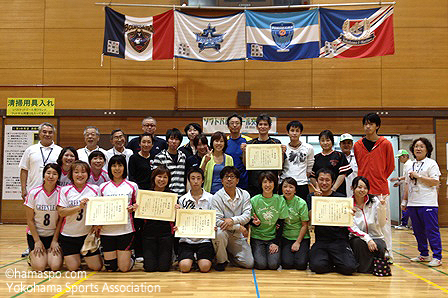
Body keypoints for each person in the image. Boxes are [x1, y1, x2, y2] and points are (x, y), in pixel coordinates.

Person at [354, 113, 394, 261]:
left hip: (380, 191)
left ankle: (388, 252)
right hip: (362, 191)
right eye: (365, 124)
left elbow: (390, 166)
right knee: (364, 223)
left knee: (383, 223)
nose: (367, 126)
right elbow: (359, 164)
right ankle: (368, 253)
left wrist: (380, 178)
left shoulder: (386, 144)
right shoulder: (357, 145)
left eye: (371, 124)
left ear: (377, 126)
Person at [19, 122, 62, 257]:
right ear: (39, 133)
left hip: (53, 192)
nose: (47, 134)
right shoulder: (30, 150)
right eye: (44, 132)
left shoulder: (59, 151)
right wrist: (23, 189)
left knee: (54, 218)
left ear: (53, 134)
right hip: (34, 191)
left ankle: (53, 245)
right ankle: (30, 246)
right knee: (33, 218)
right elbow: (24, 170)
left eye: (50, 132)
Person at [308, 168, 358, 275]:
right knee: (317, 267)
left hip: (339, 240)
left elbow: (349, 220)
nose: (324, 183)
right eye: (321, 180)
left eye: (327, 180)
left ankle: (335, 259)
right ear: (317, 181)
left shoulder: (341, 198)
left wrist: (351, 213)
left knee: (349, 268)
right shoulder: (312, 197)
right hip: (321, 241)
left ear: (333, 182)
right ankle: (331, 260)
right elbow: (311, 218)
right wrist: (317, 200)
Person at [402, 138, 442, 267]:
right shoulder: (409, 164)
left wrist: (419, 176)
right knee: (418, 230)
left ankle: (437, 256)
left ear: (427, 149)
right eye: (416, 146)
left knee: (431, 230)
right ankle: (423, 254)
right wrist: (405, 201)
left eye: (421, 146)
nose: (418, 149)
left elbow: (435, 182)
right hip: (413, 203)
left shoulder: (431, 163)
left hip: (428, 202)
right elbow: (407, 184)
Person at [57, 161, 102, 271]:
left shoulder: (95, 189)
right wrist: (79, 207)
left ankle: (84, 255)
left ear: (88, 174)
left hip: (87, 236)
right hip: (68, 235)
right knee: (73, 268)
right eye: (76, 172)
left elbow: (99, 211)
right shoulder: (64, 190)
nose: (80, 175)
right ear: (71, 174)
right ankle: (75, 256)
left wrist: (96, 226)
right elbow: (61, 212)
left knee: (96, 267)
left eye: (83, 172)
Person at [98, 155, 138, 272]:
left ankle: (131, 257)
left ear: (124, 168)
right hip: (107, 231)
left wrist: (134, 207)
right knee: (111, 268)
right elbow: (98, 208)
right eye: (114, 165)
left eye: (120, 165)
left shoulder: (132, 186)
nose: (117, 168)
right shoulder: (102, 187)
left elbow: (138, 206)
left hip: (126, 230)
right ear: (109, 168)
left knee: (123, 268)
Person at [210, 166, 254, 271]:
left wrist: (232, 220)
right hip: (224, 232)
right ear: (222, 180)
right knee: (219, 233)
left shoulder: (245, 194)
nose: (229, 179)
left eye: (232, 177)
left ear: (237, 180)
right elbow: (217, 220)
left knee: (249, 263)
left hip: (238, 236)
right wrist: (238, 227)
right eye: (226, 177)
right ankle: (222, 261)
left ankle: (230, 256)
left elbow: (247, 216)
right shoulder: (216, 197)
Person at [24, 163, 63, 271]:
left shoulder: (61, 192)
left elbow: (61, 219)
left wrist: (55, 240)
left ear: (58, 176)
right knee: (39, 267)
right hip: (36, 235)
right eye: (48, 173)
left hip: (53, 235)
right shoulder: (34, 193)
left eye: (54, 174)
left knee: (55, 266)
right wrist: (37, 241)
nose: (51, 176)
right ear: (43, 175)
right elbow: (30, 220)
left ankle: (49, 254)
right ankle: (32, 256)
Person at [176, 167, 215, 273]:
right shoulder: (182, 199)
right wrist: (177, 226)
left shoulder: (211, 198)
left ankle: (199, 259)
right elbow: (180, 221)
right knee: (184, 267)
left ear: (203, 180)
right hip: (186, 240)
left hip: (204, 240)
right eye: (192, 178)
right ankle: (191, 259)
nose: (196, 181)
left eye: (198, 178)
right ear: (189, 180)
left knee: (205, 267)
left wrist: (213, 226)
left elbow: (214, 218)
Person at [250, 171, 288, 270]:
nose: (267, 185)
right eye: (265, 182)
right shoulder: (254, 200)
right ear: (261, 184)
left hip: (272, 238)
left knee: (273, 265)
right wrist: (255, 223)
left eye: (270, 182)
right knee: (261, 265)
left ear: (274, 184)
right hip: (257, 238)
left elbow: (281, 222)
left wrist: (275, 242)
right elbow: (250, 221)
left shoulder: (280, 200)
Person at [349, 176, 387, 273]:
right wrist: (368, 239)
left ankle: (376, 268)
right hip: (357, 237)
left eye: (365, 188)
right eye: (359, 187)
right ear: (352, 188)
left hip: (376, 236)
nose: (362, 190)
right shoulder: (348, 203)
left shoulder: (374, 201)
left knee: (380, 245)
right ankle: (365, 270)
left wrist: (382, 208)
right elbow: (351, 227)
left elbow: (382, 223)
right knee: (359, 243)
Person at [242, 114, 285, 197]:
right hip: (254, 184)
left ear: (269, 127)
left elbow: (281, 166)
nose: (263, 127)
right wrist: (244, 152)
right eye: (260, 124)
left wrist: (282, 153)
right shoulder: (250, 144)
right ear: (257, 127)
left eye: (265, 124)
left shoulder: (276, 143)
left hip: (271, 183)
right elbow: (245, 164)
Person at [142, 166, 175, 272]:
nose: (162, 180)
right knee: (149, 268)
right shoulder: (145, 194)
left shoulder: (172, 196)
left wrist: (177, 210)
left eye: (165, 177)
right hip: (148, 234)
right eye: (159, 176)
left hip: (165, 235)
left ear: (168, 180)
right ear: (154, 178)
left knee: (164, 268)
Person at [128, 133, 154, 262]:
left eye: (149, 142)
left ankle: (149, 251)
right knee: (138, 225)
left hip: (152, 196)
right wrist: (138, 195)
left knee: (149, 225)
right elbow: (131, 178)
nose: (146, 144)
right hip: (139, 196)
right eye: (143, 142)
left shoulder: (155, 157)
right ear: (139, 144)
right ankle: (138, 252)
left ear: (152, 144)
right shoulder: (133, 158)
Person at [280, 177, 310, 270]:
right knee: (286, 264)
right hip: (286, 237)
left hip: (301, 237)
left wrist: (297, 242)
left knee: (301, 265)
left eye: (291, 187)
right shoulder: (279, 200)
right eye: (285, 187)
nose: (287, 189)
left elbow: (305, 225)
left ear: (295, 190)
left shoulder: (301, 203)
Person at [310, 130, 352, 196]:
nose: (325, 143)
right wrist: (318, 188)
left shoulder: (339, 155)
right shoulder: (316, 157)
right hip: (320, 193)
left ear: (332, 142)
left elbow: (343, 174)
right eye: (322, 141)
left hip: (338, 191)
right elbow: (312, 176)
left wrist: (333, 189)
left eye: (327, 140)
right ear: (320, 142)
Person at [280, 121, 314, 200]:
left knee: (301, 207)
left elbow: (310, 164)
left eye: (297, 131)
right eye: (292, 130)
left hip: (302, 183)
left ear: (300, 133)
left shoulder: (309, 148)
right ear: (287, 133)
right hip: (285, 183)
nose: (294, 133)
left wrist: (303, 176)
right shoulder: (283, 148)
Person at [153, 128, 187, 196]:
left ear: (180, 142)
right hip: (166, 194)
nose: (174, 141)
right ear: (167, 141)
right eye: (171, 139)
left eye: (177, 139)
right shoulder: (159, 157)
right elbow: (155, 178)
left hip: (181, 194)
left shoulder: (183, 156)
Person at [225, 114, 251, 190]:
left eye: (237, 123)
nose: (234, 125)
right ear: (228, 126)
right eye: (232, 123)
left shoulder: (248, 141)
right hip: (228, 179)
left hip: (244, 179)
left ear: (241, 125)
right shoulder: (224, 142)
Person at [391, 149, 413, 229]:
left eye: (400, 157)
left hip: (410, 189)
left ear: (405, 156)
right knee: (406, 206)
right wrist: (399, 183)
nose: (399, 159)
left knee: (405, 206)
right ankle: (405, 223)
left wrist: (398, 178)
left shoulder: (409, 164)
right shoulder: (406, 165)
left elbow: (408, 177)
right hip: (406, 187)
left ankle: (405, 224)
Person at [339, 133, 358, 198]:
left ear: (352, 145)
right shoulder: (336, 158)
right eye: (344, 143)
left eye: (349, 143)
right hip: (339, 192)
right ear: (340, 145)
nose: (346, 145)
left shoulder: (357, 158)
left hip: (354, 192)